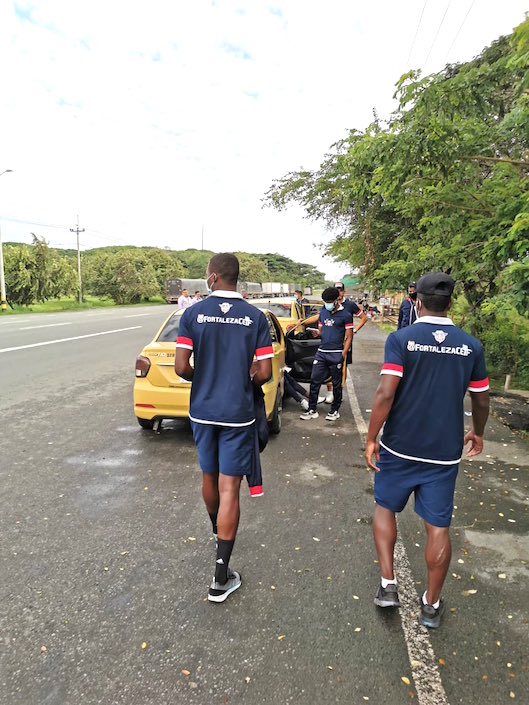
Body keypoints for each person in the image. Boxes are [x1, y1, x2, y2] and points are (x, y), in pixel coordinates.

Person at [365, 272, 489, 628]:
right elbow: (481, 399)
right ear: (450, 303)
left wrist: (372, 438)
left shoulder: (402, 339)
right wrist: (477, 432)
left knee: (385, 508)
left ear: (416, 301)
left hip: (400, 447)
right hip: (443, 454)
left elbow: (386, 392)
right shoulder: (471, 346)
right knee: (438, 528)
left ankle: (388, 585)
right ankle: (431, 605)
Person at [174, 253, 273, 603]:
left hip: (202, 411)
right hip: (237, 414)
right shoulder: (255, 317)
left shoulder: (192, 314)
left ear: (214, 277)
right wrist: (240, 378)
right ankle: (220, 575)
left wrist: (205, 379)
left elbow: (181, 368)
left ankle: (218, 532)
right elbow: (264, 373)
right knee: (230, 487)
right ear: (236, 278)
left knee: (208, 476)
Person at [300, 286, 353, 422]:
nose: (327, 304)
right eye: (325, 301)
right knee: (315, 380)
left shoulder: (346, 315)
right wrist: (316, 333)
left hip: (336, 354)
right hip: (322, 353)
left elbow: (349, 337)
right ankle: (312, 409)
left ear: (336, 300)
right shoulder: (323, 313)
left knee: (336, 383)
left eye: (329, 301)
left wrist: (343, 353)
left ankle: (334, 410)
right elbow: (321, 332)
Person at [334, 282, 368, 384]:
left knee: (343, 365)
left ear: (344, 292)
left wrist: (354, 330)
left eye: (340, 290)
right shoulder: (331, 304)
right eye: (336, 291)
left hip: (345, 340)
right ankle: (330, 391)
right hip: (333, 340)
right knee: (330, 365)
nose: (338, 293)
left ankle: (340, 388)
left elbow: (364, 318)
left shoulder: (350, 305)